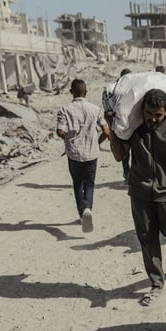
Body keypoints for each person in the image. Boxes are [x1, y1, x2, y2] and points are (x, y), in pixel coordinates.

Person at [109, 89, 166, 306]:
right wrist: (113, 132)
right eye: (148, 113)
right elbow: (119, 156)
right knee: (147, 238)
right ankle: (156, 284)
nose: (152, 119)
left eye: (158, 115)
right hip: (140, 193)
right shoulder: (133, 126)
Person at [56, 79, 110, 233]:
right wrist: (97, 142)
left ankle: (82, 213)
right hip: (91, 152)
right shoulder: (95, 109)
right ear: (86, 93)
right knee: (90, 184)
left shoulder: (64, 110)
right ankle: (88, 209)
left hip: (74, 153)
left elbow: (60, 131)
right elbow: (106, 131)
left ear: (71, 92)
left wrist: (68, 138)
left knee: (77, 184)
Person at [103, 68, 133, 184]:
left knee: (125, 154)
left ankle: (127, 175)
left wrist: (112, 129)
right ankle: (129, 176)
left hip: (119, 126)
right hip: (130, 126)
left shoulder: (110, 90)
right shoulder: (132, 88)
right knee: (131, 153)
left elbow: (107, 112)